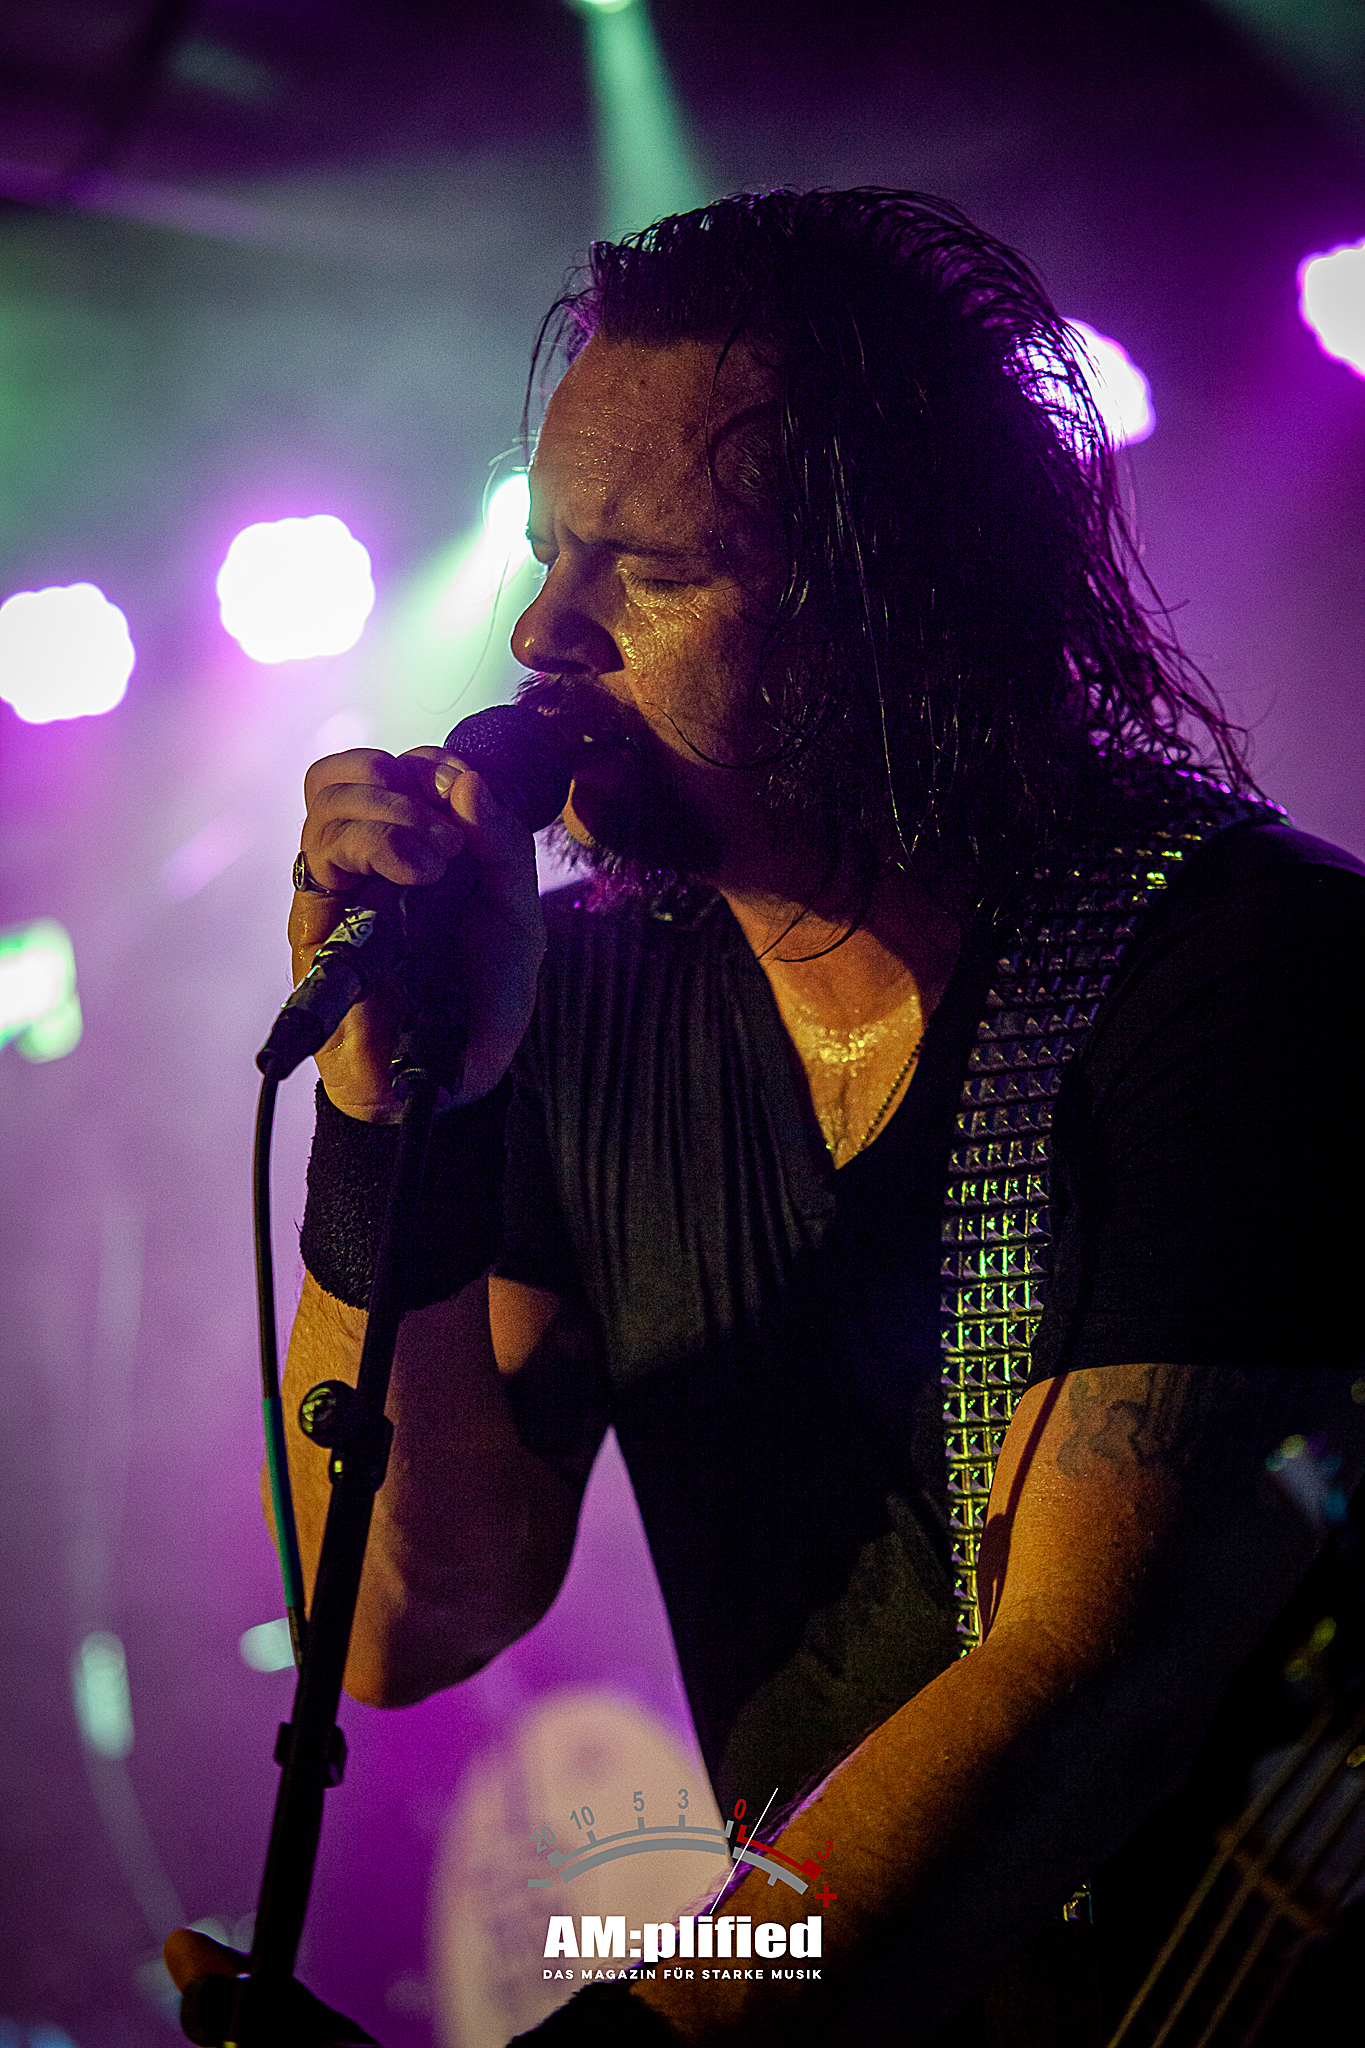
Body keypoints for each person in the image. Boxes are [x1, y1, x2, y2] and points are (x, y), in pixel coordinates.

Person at [170, 191, 1365, 2043]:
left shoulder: (1239, 973)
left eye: (644, 572)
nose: (538, 630)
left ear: (894, 622)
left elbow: (1083, 1691)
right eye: (547, 552)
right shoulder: (577, 996)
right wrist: (395, 1115)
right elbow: (410, 1618)